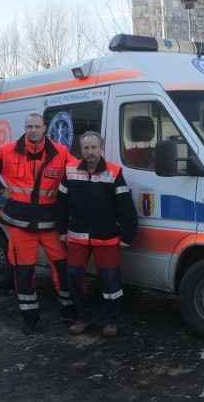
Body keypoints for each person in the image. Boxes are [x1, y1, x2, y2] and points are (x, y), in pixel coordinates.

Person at [0, 113, 77, 335]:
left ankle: (68, 311)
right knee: (24, 273)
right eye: (29, 126)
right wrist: (0, 190)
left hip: (50, 223)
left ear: (44, 129)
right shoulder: (8, 150)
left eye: (37, 126)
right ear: (25, 128)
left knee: (62, 269)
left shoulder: (59, 152)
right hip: (21, 224)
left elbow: (79, 172)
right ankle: (30, 318)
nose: (33, 130)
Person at [56, 131, 138, 338]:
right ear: (81, 150)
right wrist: (61, 230)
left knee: (110, 281)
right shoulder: (71, 170)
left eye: (94, 147)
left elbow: (125, 206)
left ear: (101, 149)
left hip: (106, 236)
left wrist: (128, 236)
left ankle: (109, 320)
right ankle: (83, 318)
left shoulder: (113, 172)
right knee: (73, 276)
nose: (90, 152)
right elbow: (61, 204)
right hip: (77, 236)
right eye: (86, 148)